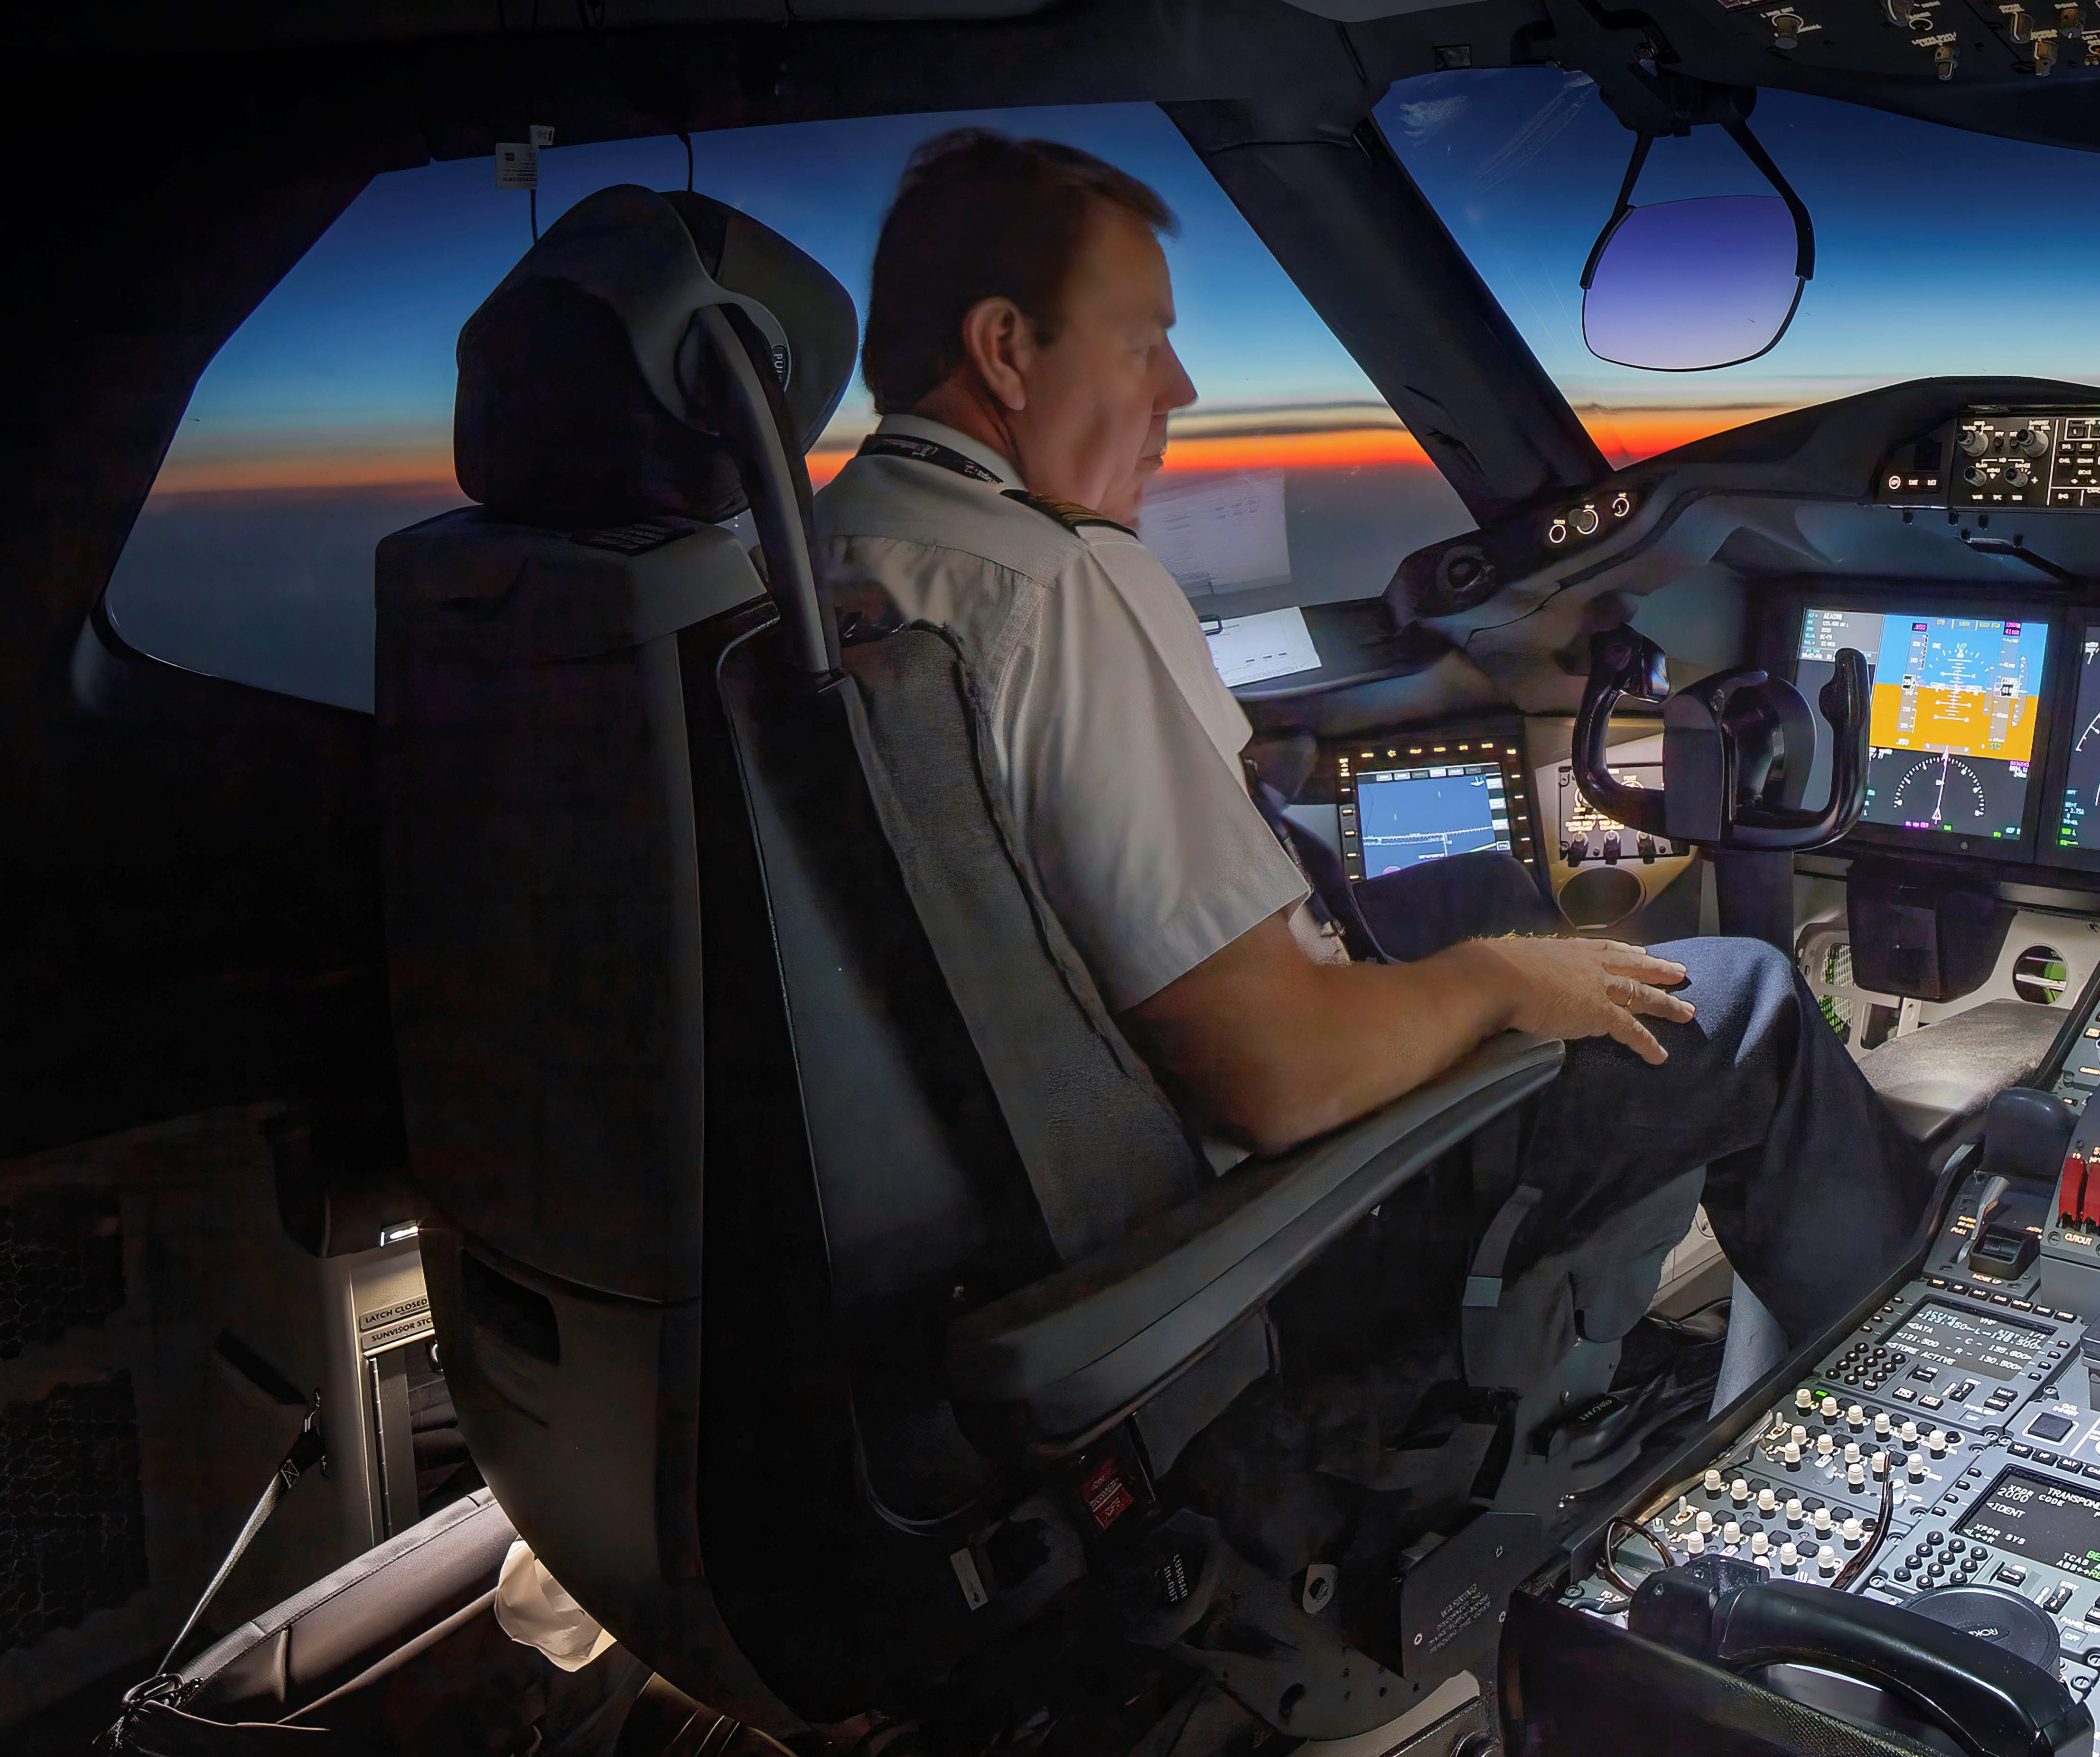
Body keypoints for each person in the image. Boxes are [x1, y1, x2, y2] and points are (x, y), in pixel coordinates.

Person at [810, 128, 1921, 1370]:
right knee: (1754, 1004)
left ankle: (1565, 1313)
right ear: (1006, 349)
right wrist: (1497, 985)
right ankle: (1889, 1395)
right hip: (1262, 1229)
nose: (1180, 387)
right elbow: (1277, 1075)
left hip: (1024, 1168)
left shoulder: (830, 548)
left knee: (1486, 887)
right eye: (1142, 341)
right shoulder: (1055, 580)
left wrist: (1491, 956)